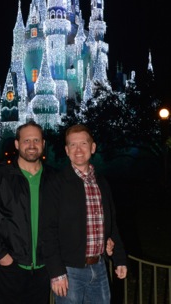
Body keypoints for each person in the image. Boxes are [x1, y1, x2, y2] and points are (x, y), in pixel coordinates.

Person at [42, 124, 128, 303]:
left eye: (83, 143)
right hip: (69, 272)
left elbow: (111, 224)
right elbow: (47, 230)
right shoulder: (56, 184)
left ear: (93, 147)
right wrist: (57, 272)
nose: (78, 149)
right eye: (73, 145)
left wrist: (119, 258)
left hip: (99, 268)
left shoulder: (102, 183)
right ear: (66, 150)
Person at [0, 120, 54, 304]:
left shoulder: (54, 179)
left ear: (43, 144)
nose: (31, 146)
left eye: (36, 140)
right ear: (17, 144)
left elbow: (69, 217)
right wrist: (1, 256)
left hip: (44, 268)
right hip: (11, 268)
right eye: (26, 141)